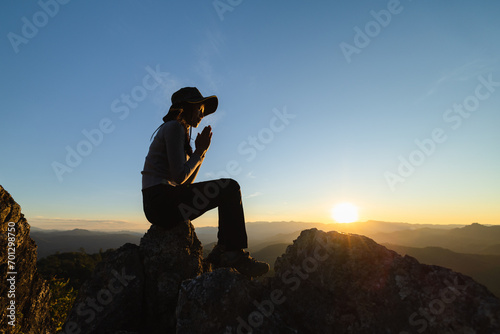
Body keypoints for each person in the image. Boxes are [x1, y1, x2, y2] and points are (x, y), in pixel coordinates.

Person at [141, 87, 269, 278]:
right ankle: (231, 253)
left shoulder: (178, 130)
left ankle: (226, 250)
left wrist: (202, 152)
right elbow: (179, 178)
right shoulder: (174, 127)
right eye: (200, 110)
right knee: (230, 188)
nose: (202, 115)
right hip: (161, 201)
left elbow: (183, 183)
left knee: (227, 190)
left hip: (160, 204)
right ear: (187, 108)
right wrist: (200, 151)